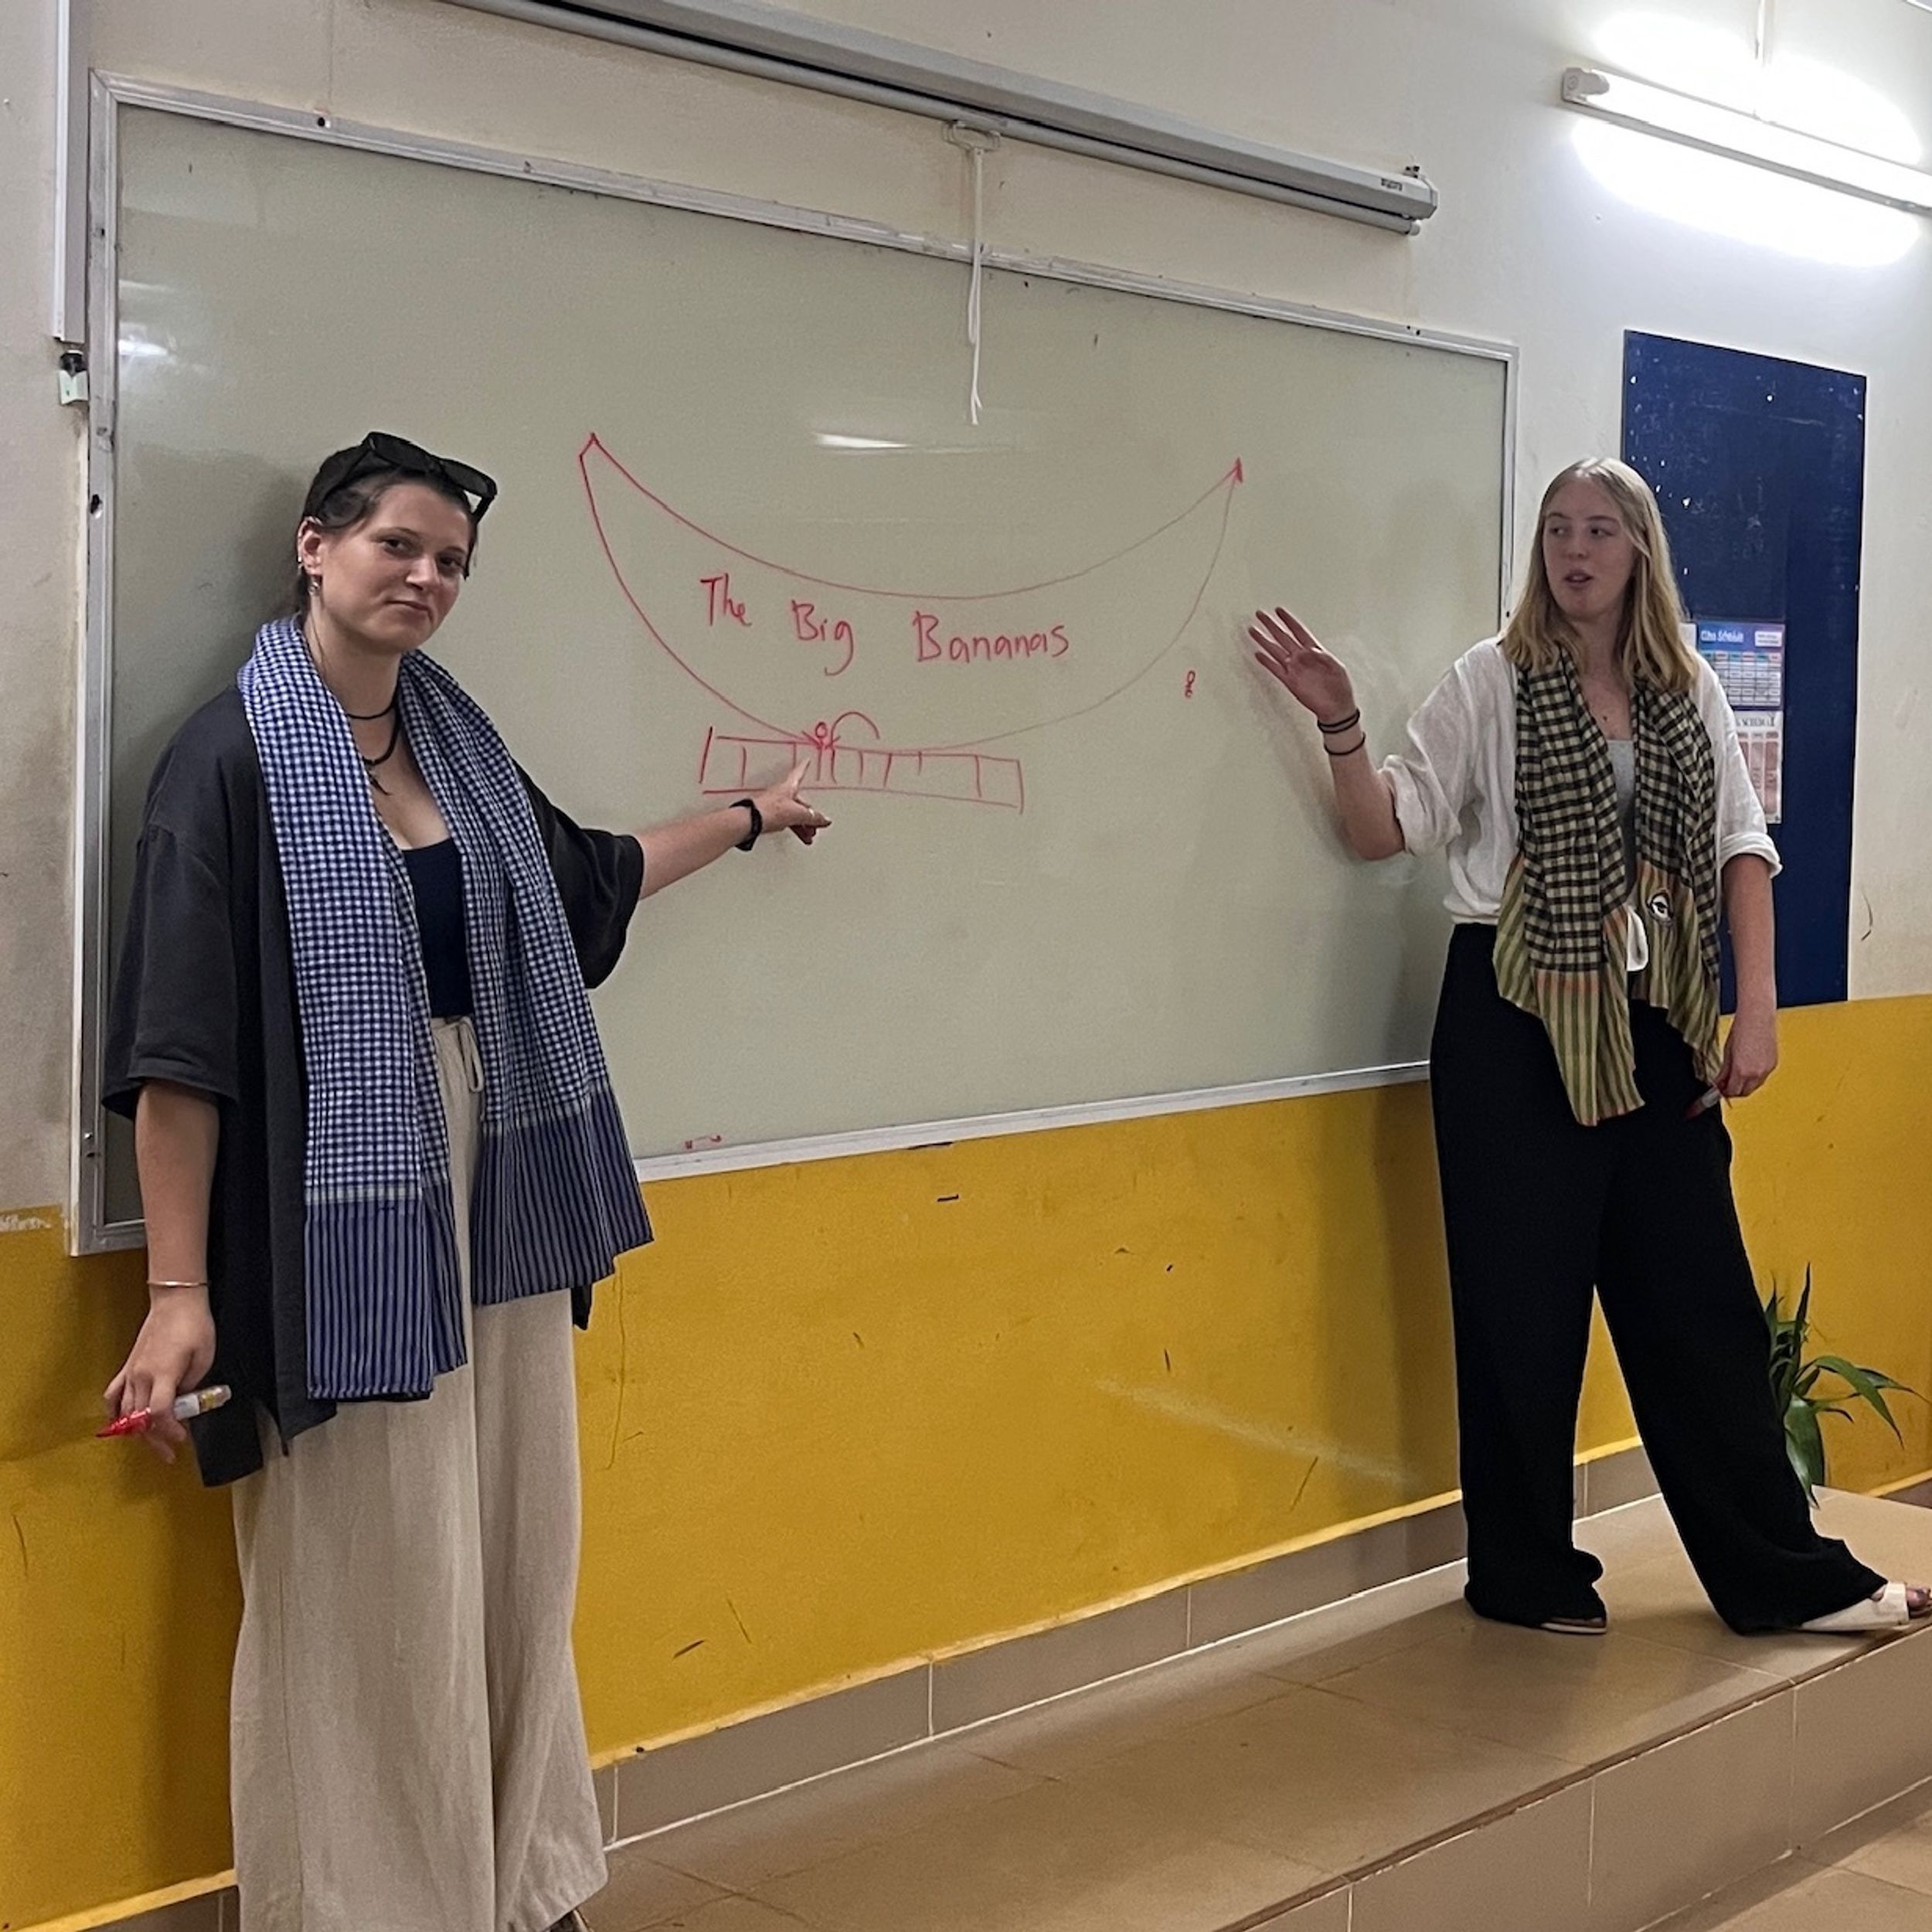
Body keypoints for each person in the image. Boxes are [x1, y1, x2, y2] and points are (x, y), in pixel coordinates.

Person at [102, 432, 829, 1932]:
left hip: (500, 1187)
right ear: (316, 546)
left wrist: (749, 816)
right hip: (332, 1206)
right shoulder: (229, 761)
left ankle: (517, 1881)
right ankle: (373, 1903)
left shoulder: (459, 751)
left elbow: (590, 881)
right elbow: (179, 1056)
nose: (426, 577)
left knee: (513, 1550)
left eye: (451, 562)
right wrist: (178, 1293)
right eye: (398, 545)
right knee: (369, 1571)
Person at [1250, 456, 1927, 1639]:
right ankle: (1523, 1575)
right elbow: (1385, 830)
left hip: (1654, 1020)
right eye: (1558, 529)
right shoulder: (1491, 680)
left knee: (1702, 1309)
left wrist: (1756, 1008)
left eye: (1600, 530)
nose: (1575, 550)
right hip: (1511, 1022)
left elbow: (1742, 847)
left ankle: (1786, 1577)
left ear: (1640, 551)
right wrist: (1340, 721)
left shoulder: (1687, 689)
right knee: (1519, 1308)